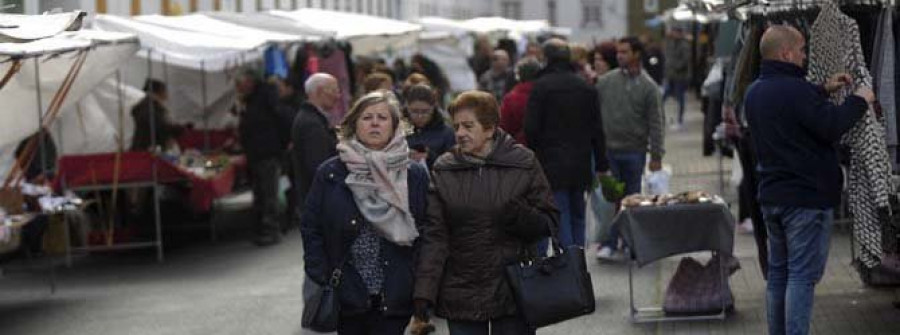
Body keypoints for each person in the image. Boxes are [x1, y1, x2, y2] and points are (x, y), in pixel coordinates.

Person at [744, 25, 874, 335]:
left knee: (779, 275)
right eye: (802, 50)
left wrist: (820, 89)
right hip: (806, 199)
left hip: (772, 198)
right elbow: (831, 126)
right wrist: (860, 99)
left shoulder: (754, 92)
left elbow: (790, 108)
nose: (804, 56)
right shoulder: (797, 91)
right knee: (801, 277)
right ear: (786, 53)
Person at [414, 91, 558, 335]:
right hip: (461, 288)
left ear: (490, 129)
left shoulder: (523, 161)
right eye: (457, 126)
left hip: (513, 286)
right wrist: (423, 293)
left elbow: (549, 221)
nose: (459, 133)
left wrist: (522, 217)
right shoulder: (444, 167)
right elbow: (435, 235)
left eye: (468, 126)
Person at [301, 91, 429, 335]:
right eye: (367, 117)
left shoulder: (414, 174)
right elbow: (311, 226)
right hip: (347, 291)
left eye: (382, 117)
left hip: (396, 290)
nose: (374, 123)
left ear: (394, 126)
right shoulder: (330, 172)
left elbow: (428, 230)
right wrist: (322, 273)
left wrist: (418, 282)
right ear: (353, 125)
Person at [525, 38, 610, 251]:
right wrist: (601, 164)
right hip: (581, 161)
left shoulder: (541, 87)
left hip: (551, 162)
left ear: (546, 58)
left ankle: (567, 263)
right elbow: (597, 130)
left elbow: (531, 128)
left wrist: (536, 155)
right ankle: (578, 258)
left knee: (560, 213)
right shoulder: (586, 87)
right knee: (578, 213)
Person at [595, 36, 665, 260]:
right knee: (611, 200)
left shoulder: (649, 87)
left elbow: (656, 123)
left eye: (624, 52)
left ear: (636, 54)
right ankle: (609, 242)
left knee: (631, 200)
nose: (619, 56)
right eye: (618, 52)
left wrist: (656, 155)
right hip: (608, 153)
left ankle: (630, 242)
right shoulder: (605, 82)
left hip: (634, 152)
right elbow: (594, 116)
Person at [236, 69, 287, 246]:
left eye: (240, 83)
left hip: (266, 151)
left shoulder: (264, 98)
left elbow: (279, 119)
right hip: (258, 152)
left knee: (268, 192)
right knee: (261, 192)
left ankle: (271, 229)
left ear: (250, 81)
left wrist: (282, 143)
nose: (239, 88)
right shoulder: (253, 100)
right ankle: (262, 228)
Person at [290, 73, 341, 219]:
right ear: (319, 91)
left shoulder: (312, 119)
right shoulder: (311, 124)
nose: (338, 96)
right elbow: (319, 166)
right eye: (334, 90)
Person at [404, 84, 455, 169]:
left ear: (433, 108)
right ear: (407, 108)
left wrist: (430, 157)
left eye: (425, 112)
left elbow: (453, 164)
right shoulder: (397, 129)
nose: (420, 116)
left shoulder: (447, 133)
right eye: (414, 111)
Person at [130, 79, 184, 152]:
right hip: (147, 150)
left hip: (143, 148)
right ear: (159, 91)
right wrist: (179, 129)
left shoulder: (148, 106)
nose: (167, 93)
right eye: (165, 90)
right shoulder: (150, 108)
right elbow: (160, 127)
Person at [499, 57, 542, 145]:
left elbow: (505, 127)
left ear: (518, 76)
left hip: (519, 148)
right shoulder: (546, 94)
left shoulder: (511, 98)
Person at [663, 27, 691, 130]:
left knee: (680, 97)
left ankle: (680, 119)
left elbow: (685, 60)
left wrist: (675, 67)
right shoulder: (671, 44)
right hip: (671, 76)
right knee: (664, 96)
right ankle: (662, 117)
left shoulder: (684, 45)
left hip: (680, 76)